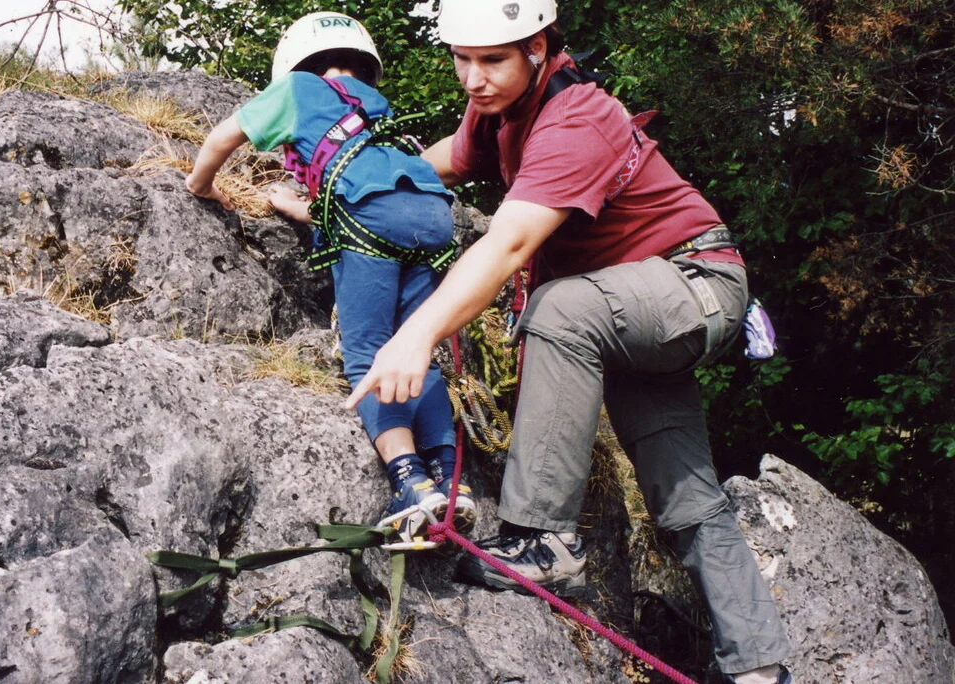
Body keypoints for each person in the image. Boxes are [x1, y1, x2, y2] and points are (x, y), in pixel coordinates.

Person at [343, 0, 793, 681]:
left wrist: (416, 336)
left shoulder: (577, 116)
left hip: (690, 284)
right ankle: (761, 664)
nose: (473, 78)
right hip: (629, 309)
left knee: (556, 308)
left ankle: (544, 540)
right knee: (684, 496)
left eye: (491, 59)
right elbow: (445, 164)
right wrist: (348, 176)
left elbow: (511, 243)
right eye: (462, 59)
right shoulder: (498, 112)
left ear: (539, 47)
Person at [184, 11, 476, 541]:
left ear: (295, 64)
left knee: (369, 353)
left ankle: (409, 481)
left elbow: (222, 139)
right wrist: (303, 211)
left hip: (371, 222)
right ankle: (452, 481)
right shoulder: (371, 102)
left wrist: (200, 184)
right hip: (432, 214)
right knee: (417, 347)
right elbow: (361, 176)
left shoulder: (297, 90)